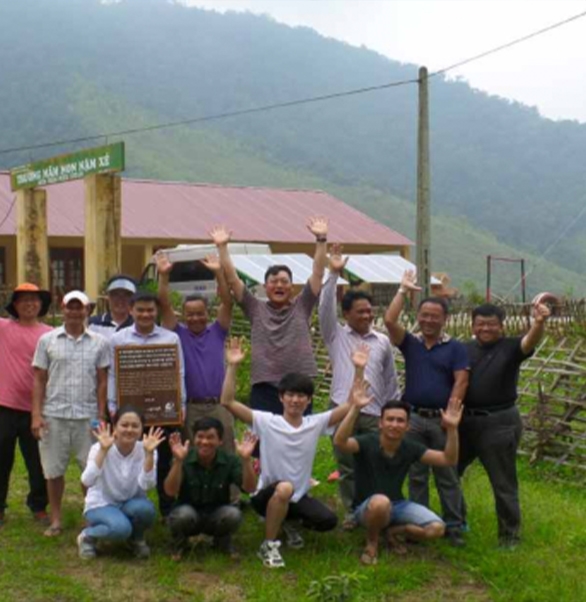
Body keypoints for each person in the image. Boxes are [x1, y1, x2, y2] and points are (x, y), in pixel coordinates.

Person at [220, 337, 367, 569]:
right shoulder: (266, 421)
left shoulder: (315, 424)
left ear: (309, 400)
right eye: (290, 395)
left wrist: (359, 369)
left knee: (328, 521)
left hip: (297, 496)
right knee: (284, 488)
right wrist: (232, 365)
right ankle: (268, 544)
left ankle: (286, 521)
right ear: (281, 397)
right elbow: (227, 401)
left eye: (301, 396)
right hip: (266, 495)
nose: (295, 400)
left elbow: (351, 403)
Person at [210, 217, 328, 415]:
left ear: (292, 287)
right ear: (265, 287)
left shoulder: (302, 305)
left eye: (284, 282)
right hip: (264, 389)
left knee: (299, 432)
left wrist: (321, 239)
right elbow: (233, 280)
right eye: (273, 282)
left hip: (299, 387)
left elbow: (318, 273)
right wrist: (222, 248)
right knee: (263, 433)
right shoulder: (255, 308)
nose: (279, 285)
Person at [384, 270, 469, 546]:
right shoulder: (411, 343)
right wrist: (402, 290)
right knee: (416, 474)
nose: (429, 320)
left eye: (435, 316)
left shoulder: (455, 348)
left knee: (447, 474)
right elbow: (389, 320)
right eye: (425, 315)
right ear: (418, 317)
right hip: (413, 418)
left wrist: (451, 414)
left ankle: (454, 525)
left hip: (441, 420)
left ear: (445, 319)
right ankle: (420, 523)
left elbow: (461, 380)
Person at [318, 244, 400, 528]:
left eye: (369, 311)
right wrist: (333, 274)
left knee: (376, 463)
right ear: (346, 314)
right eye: (360, 312)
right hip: (343, 410)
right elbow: (324, 309)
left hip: (375, 412)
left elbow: (390, 380)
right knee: (346, 466)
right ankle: (353, 512)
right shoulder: (336, 336)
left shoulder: (382, 341)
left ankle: (378, 510)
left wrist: (391, 412)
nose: (366, 316)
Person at [334, 392, 463, 565]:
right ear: (380, 423)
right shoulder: (367, 442)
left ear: (407, 426)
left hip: (397, 505)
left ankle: (394, 532)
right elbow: (340, 442)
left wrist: (452, 429)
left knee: (437, 529)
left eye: (400, 421)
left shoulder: (410, 447)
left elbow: (448, 459)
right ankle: (372, 542)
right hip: (367, 508)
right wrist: (355, 408)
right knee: (380, 502)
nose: (394, 425)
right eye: (390, 419)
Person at [460, 302, 550, 548]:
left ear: (501, 326)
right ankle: (456, 522)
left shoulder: (510, 347)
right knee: (449, 472)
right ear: (473, 326)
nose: (485, 328)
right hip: (464, 421)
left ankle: (510, 536)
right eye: (480, 324)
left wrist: (539, 323)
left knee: (503, 482)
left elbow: (529, 341)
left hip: (499, 422)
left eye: (491, 324)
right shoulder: (463, 349)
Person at [32, 290, 110, 537]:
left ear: (88, 311)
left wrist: (102, 414)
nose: (75, 312)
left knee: (91, 470)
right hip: (54, 415)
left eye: (80, 307)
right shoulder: (47, 340)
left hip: (87, 416)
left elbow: (102, 381)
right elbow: (39, 380)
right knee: (53, 471)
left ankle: (91, 516)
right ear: (62, 308)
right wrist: (36, 415)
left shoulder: (100, 342)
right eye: (70, 307)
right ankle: (56, 519)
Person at [108, 292, 186, 518]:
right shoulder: (118, 339)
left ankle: (168, 511)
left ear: (157, 311)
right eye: (140, 310)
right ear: (131, 311)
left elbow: (179, 372)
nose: (145, 314)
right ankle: (128, 507)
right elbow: (113, 374)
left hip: (163, 411)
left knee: (164, 461)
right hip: (130, 414)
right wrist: (112, 406)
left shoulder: (170, 339)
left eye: (150, 310)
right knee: (129, 459)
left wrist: (181, 404)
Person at [156, 251, 235, 450]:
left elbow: (227, 302)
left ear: (208, 313)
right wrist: (164, 276)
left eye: (200, 313)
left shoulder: (217, 331)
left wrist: (219, 273)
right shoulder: (177, 334)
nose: (195, 318)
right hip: (190, 407)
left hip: (219, 405)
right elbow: (163, 304)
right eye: (190, 314)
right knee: (191, 455)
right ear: (183, 316)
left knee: (226, 452)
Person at [77, 407, 165, 559]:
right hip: (102, 504)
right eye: (124, 425)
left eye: (135, 426)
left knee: (147, 510)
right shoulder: (98, 447)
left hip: (130, 502)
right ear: (115, 427)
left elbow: (147, 485)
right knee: (121, 529)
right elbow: (87, 480)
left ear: (141, 429)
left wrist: (149, 454)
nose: (129, 430)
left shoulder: (147, 450)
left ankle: (136, 539)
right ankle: (88, 535)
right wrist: (103, 450)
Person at [164, 418, 258, 560]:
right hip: (189, 514)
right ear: (194, 439)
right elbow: (170, 491)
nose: (205, 442)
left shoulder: (230, 460)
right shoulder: (184, 457)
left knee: (234, 514)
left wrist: (246, 460)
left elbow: (250, 488)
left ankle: (222, 541)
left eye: (210, 437)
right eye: (200, 437)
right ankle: (179, 544)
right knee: (182, 515)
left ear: (220, 441)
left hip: (216, 515)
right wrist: (178, 461)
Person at [0, 283, 52, 527]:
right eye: (23, 300)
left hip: (37, 409)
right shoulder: (3, 328)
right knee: (2, 459)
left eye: (34, 299)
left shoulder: (50, 334)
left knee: (37, 461)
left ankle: (39, 506)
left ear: (41, 305)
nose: (29, 304)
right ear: (15, 305)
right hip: (5, 406)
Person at [88, 275, 137, 341]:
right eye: (115, 295)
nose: (120, 299)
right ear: (108, 297)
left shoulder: (138, 325)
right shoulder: (93, 324)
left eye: (126, 295)